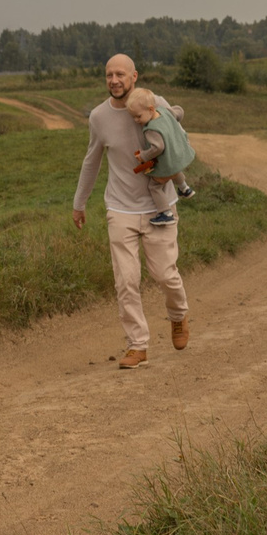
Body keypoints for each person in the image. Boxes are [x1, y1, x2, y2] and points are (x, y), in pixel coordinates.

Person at [71, 54, 191, 369]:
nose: (114, 80)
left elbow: (178, 141)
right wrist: (79, 203)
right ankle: (137, 346)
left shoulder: (155, 102)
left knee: (165, 274)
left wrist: (172, 173)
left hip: (159, 205)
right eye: (109, 75)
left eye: (120, 74)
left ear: (134, 76)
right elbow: (91, 160)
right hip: (120, 207)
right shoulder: (98, 117)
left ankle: (178, 316)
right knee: (125, 280)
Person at [123, 86, 198, 223]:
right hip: (178, 159)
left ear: (151, 109)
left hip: (167, 164)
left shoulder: (151, 129)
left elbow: (158, 148)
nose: (136, 120)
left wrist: (144, 156)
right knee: (175, 171)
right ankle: (185, 188)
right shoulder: (164, 111)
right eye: (133, 117)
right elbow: (179, 112)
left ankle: (165, 213)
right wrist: (177, 117)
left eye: (138, 116)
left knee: (154, 186)